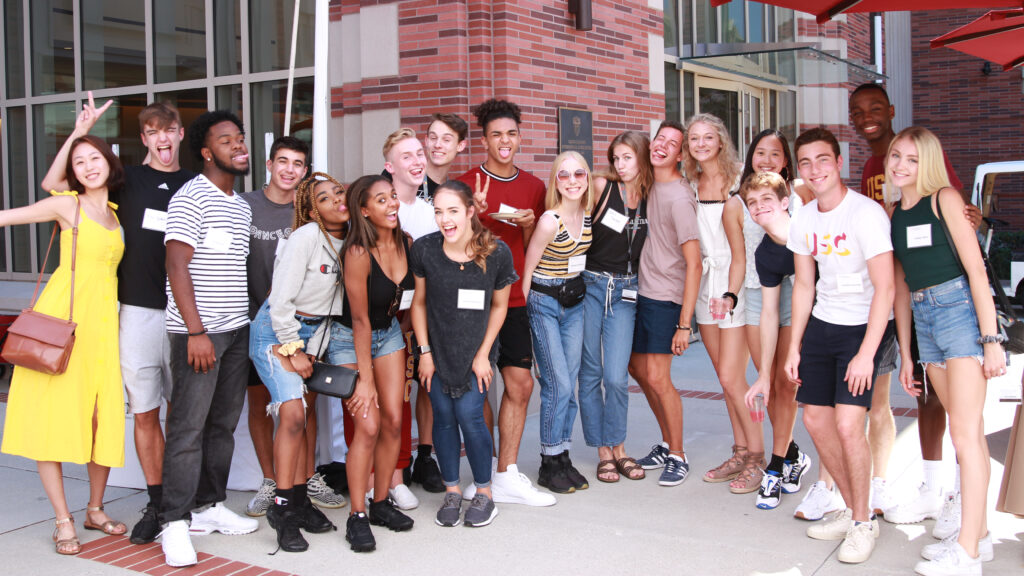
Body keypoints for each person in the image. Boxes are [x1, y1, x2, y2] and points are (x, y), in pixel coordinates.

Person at [38, 95, 195, 544]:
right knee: (145, 412)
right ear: (143, 138)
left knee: (183, 415)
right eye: (152, 131)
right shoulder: (124, 181)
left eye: (169, 130)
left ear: (180, 134)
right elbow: (54, 187)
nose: (161, 139)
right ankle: (158, 501)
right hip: (136, 313)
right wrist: (77, 133)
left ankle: (186, 505)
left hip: (188, 318)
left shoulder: (196, 183)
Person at [848, 83, 977, 520]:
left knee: (959, 413)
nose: (867, 116)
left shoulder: (920, 159)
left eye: (876, 108)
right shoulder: (872, 170)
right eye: (858, 110)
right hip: (908, 298)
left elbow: (959, 216)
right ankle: (935, 488)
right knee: (926, 396)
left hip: (952, 302)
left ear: (891, 111)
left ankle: (964, 500)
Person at [1, 135, 126, 555]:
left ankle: (94, 508)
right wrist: (76, 131)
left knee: (101, 420)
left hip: (105, 331)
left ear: (109, 162)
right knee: (50, 420)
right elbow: (8, 214)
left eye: (95, 157)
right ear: (72, 172)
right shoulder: (66, 204)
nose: (89, 166)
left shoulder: (113, 212)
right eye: (79, 161)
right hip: (63, 327)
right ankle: (62, 519)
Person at [884, 127, 1002, 575]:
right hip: (924, 320)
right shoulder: (893, 211)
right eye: (897, 156)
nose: (901, 166)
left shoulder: (944, 201)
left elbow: (975, 271)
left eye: (912, 159)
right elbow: (898, 287)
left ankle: (967, 552)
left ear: (928, 162)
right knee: (963, 429)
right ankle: (981, 536)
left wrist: (990, 341)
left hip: (958, 315)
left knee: (967, 436)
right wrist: (907, 354)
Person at [784, 127, 894, 564]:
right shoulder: (805, 218)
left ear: (838, 161)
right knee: (814, 420)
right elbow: (804, 284)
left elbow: (884, 289)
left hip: (860, 329)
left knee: (850, 426)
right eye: (806, 162)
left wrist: (867, 353)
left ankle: (863, 522)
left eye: (822, 160)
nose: (815, 170)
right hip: (822, 326)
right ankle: (855, 512)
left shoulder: (866, 214)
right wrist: (794, 345)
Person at [159, 111, 258, 567]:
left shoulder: (239, 206)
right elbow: (176, 266)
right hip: (198, 334)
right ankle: (174, 523)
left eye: (239, 138)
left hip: (236, 331)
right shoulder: (189, 198)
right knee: (187, 428)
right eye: (226, 140)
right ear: (205, 151)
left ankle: (208, 506)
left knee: (222, 425)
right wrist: (196, 331)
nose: (239, 146)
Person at [457, 99, 553, 506]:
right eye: (496, 134)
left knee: (520, 382)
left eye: (511, 133)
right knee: (476, 390)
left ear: (519, 136)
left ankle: (506, 473)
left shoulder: (533, 186)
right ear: (484, 140)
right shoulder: (464, 183)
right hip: (471, 301)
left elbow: (533, 251)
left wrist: (531, 227)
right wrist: (473, 216)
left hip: (513, 298)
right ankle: (485, 470)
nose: (505, 141)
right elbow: (453, 244)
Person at [245, 137, 347, 517]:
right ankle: (278, 493)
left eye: (339, 193)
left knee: (303, 409)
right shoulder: (298, 234)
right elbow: (281, 300)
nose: (336, 200)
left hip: (314, 333)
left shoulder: (346, 237)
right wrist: (293, 347)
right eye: (282, 161)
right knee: (280, 410)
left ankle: (302, 487)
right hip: (275, 330)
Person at [410, 180, 517, 527]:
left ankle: (485, 492)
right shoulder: (426, 250)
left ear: (470, 211)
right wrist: (424, 352)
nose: (445, 219)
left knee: (471, 416)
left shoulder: (497, 252)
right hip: (437, 350)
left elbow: (500, 307)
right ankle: (452, 490)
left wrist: (484, 354)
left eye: (453, 211)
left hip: (477, 351)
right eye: (438, 211)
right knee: (442, 417)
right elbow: (420, 303)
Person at [331, 175, 415, 552]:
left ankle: (381, 503)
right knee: (368, 425)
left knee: (395, 419)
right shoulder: (357, 253)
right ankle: (357, 514)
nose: (392, 203)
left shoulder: (406, 242)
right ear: (364, 211)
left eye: (393, 196)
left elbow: (410, 302)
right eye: (381, 200)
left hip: (390, 336)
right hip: (350, 340)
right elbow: (360, 321)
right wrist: (364, 380)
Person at [735, 131, 816, 512]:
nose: (766, 159)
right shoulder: (744, 202)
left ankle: (778, 463)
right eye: (760, 152)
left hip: (803, 292)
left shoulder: (801, 195)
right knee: (769, 383)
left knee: (787, 384)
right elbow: (740, 256)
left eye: (776, 154)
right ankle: (791, 455)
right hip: (761, 290)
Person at [684, 114, 763, 494]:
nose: (701, 143)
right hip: (704, 287)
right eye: (694, 138)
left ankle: (759, 458)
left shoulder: (739, 181)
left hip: (734, 285)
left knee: (735, 378)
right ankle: (740, 450)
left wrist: (730, 294)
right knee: (724, 378)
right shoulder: (690, 184)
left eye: (708, 137)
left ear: (721, 141)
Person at [630, 121, 701, 487]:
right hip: (640, 292)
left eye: (673, 144)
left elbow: (695, 262)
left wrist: (685, 324)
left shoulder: (680, 197)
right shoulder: (647, 184)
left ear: (680, 154)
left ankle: (679, 454)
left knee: (658, 376)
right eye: (660, 139)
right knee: (638, 371)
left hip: (665, 297)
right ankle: (666, 441)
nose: (663, 146)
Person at [580, 131, 651, 483]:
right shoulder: (600, 187)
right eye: (616, 158)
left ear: (642, 158)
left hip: (627, 290)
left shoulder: (652, 196)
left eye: (628, 157)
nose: (621, 165)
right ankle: (604, 451)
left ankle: (619, 445)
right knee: (591, 373)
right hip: (593, 285)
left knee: (616, 378)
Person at [522, 151, 594, 494]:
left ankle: (562, 455)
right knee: (558, 385)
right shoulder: (550, 221)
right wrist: (522, 321)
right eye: (563, 175)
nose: (572, 181)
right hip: (544, 303)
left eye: (579, 174)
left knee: (571, 385)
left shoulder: (588, 215)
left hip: (574, 304)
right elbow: (528, 268)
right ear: (555, 181)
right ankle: (548, 462)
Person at [382, 127, 442, 502]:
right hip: (388, 324)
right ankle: (393, 477)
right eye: (408, 155)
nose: (418, 161)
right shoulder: (381, 208)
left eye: (420, 153)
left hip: (423, 319)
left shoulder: (430, 213)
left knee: (426, 391)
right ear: (389, 166)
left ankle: (422, 459)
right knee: (393, 401)